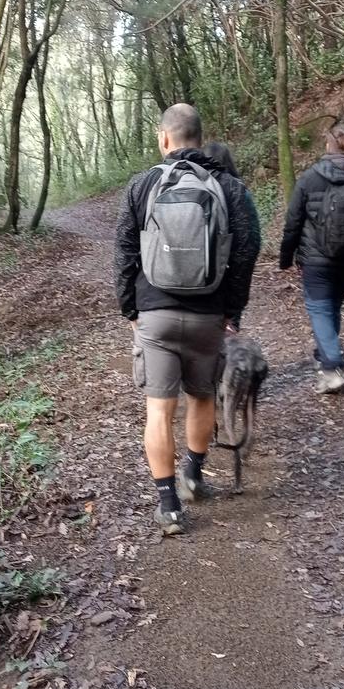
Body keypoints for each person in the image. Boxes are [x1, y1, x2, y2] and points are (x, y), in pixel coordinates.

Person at [114, 105, 260, 535]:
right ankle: (193, 475)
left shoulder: (142, 185)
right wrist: (232, 311)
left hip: (155, 314)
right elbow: (247, 251)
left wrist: (130, 309)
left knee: (159, 411)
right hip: (208, 315)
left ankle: (169, 508)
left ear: (164, 138)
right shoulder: (230, 187)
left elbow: (124, 251)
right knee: (201, 397)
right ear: (200, 135)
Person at [279, 121, 344, 394]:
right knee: (332, 306)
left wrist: (286, 258)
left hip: (316, 258)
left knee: (320, 309)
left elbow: (293, 221)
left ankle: (332, 365)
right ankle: (324, 355)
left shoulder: (310, 178)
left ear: (329, 145)